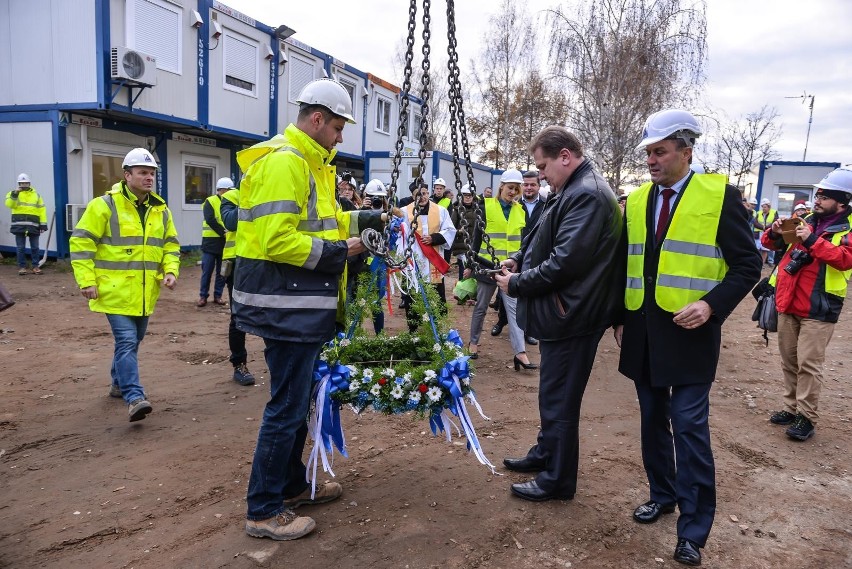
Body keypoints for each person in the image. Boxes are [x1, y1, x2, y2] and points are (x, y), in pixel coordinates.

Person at [232, 78, 387, 541]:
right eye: (338, 127)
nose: (341, 137)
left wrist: (375, 219)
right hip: (286, 307)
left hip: (299, 305)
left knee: (299, 404)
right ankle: (262, 510)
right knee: (286, 408)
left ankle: (292, 485)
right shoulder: (287, 163)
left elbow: (328, 219)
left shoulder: (312, 163)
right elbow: (278, 239)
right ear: (317, 119)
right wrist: (342, 251)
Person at [614, 109, 761, 566]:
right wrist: (619, 316)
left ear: (685, 151)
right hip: (642, 332)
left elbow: (747, 266)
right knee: (652, 420)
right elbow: (626, 262)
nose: (652, 161)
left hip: (691, 333)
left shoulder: (720, 197)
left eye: (660, 152)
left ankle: (693, 530)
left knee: (690, 429)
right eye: (648, 154)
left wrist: (712, 305)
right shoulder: (637, 201)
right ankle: (663, 494)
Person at [495, 126, 622, 504]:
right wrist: (518, 258)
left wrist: (516, 283)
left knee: (561, 400)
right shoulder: (572, 189)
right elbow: (542, 237)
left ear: (565, 156)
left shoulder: (588, 195)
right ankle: (546, 453)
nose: (541, 174)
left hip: (574, 316)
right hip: (564, 313)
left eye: (543, 166)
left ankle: (558, 479)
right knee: (552, 393)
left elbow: (565, 262)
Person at [70, 148, 180, 422]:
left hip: (144, 293)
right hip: (112, 291)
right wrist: (86, 280)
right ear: (127, 175)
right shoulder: (103, 205)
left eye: (152, 173)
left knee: (133, 342)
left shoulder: (160, 209)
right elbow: (81, 243)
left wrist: (170, 270)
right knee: (127, 341)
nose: (149, 178)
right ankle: (135, 397)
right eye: (143, 172)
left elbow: (170, 244)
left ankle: (118, 384)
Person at [763, 168, 852, 441]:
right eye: (818, 194)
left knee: (809, 365)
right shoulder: (807, 219)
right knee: (790, 361)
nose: (818, 199)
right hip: (789, 302)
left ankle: (806, 417)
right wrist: (776, 231)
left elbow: (845, 259)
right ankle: (791, 409)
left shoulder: (848, 229)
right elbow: (771, 244)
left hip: (819, 308)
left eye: (825, 197)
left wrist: (811, 239)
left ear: (841, 202)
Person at [466, 169, 534, 369]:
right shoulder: (485, 207)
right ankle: (473, 342)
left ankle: (520, 353)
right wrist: (470, 266)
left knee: (514, 311)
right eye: (510, 188)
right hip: (487, 268)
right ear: (501, 187)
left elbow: (522, 242)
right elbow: (476, 239)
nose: (512, 192)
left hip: (509, 271)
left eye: (516, 189)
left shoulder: (520, 211)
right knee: (480, 308)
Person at [398, 183, 456, 332]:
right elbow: (398, 233)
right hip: (413, 260)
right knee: (412, 295)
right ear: (412, 196)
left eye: (424, 193)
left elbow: (450, 230)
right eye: (418, 194)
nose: (422, 197)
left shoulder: (441, 211)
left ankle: (438, 326)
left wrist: (434, 238)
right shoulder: (405, 212)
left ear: (428, 193)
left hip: (433, 260)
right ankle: (413, 328)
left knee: (437, 295)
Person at [217, 183, 256, 387]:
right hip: (237, 263)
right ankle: (239, 364)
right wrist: (254, 200)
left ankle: (277, 364)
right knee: (238, 316)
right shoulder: (232, 196)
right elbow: (230, 222)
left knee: (271, 313)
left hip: (262, 261)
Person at [519, 169, 546, 346]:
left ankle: (528, 331)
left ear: (538, 186)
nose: (529, 188)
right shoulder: (514, 205)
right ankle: (502, 321)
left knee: (530, 291)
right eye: (526, 184)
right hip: (516, 253)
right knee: (507, 294)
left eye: (532, 185)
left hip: (536, 254)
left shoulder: (546, 204)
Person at [197, 177, 230, 307]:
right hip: (210, 243)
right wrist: (224, 232)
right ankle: (203, 296)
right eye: (228, 190)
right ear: (222, 190)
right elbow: (210, 220)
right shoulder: (209, 201)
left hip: (224, 244)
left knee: (222, 272)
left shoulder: (231, 202)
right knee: (207, 271)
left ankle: (218, 295)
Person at [5, 173, 47, 275]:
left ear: (29, 183)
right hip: (19, 225)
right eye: (21, 183)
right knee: (20, 247)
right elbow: (9, 205)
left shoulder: (36, 195)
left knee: (35, 247)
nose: (24, 185)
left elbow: (42, 210)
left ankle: (35, 267)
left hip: (34, 225)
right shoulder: (12, 194)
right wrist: (15, 194)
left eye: (26, 183)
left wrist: (43, 224)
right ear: (18, 184)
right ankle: (22, 267)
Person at [753, 198, 778, 265]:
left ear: (769, 207)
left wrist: (765, 228)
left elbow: (774, 222)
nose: (763, 208)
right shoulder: (758, 213)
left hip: (768, 233)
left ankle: (762, 263)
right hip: (758, 234)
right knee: (757, 249)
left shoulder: (774, 212)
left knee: (765, 249)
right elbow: (755, 222)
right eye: (762, 207)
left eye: (765, 207)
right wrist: (763, 227)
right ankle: (756, 262)